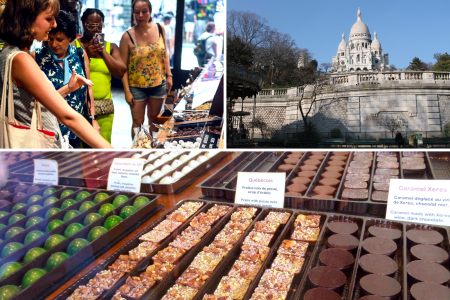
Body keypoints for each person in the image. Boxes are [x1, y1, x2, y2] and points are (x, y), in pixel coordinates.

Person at [0, 0, 112, 149]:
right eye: (48, 18)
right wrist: (112, 153)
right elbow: (68, 116)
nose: (53, 24)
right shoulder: (21, 59)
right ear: (27, 17)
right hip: (37, 150)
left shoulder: (9, 52)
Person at [32, 10, 101, 148]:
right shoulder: (37, 57)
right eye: (50, 39)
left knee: (71, 166)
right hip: (47, 128)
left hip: (74, 126)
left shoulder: (80, 54)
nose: (54, 44)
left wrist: (93, 119)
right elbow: (35, 99)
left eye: (59, 39)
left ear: (71, 38)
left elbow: (88, 88)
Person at [120, 0, 173, 138]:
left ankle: (153, 148)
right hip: (136, 87)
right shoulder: (127, 36)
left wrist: (169, 75)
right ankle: (137, 150)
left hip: (158, 83)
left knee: (154, 119)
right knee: (138, 122)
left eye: (144, 11)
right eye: (137, 12)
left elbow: (164, 53)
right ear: (133, 13)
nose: (141, 15)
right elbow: (122, 68)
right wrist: (127, 91)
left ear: (150, 12)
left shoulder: (160, 28)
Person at [75, 8, 127, 145]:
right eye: (90, 25)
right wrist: (87, 55)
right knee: (80, 147)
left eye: (99, 26)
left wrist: (102, 51)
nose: (95, 29)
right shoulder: (74, 46)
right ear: (82, 24)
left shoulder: (111, 47)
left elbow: (120, 72)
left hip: (104, 108)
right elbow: (71, 71)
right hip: (79, 107)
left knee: (103, 144)